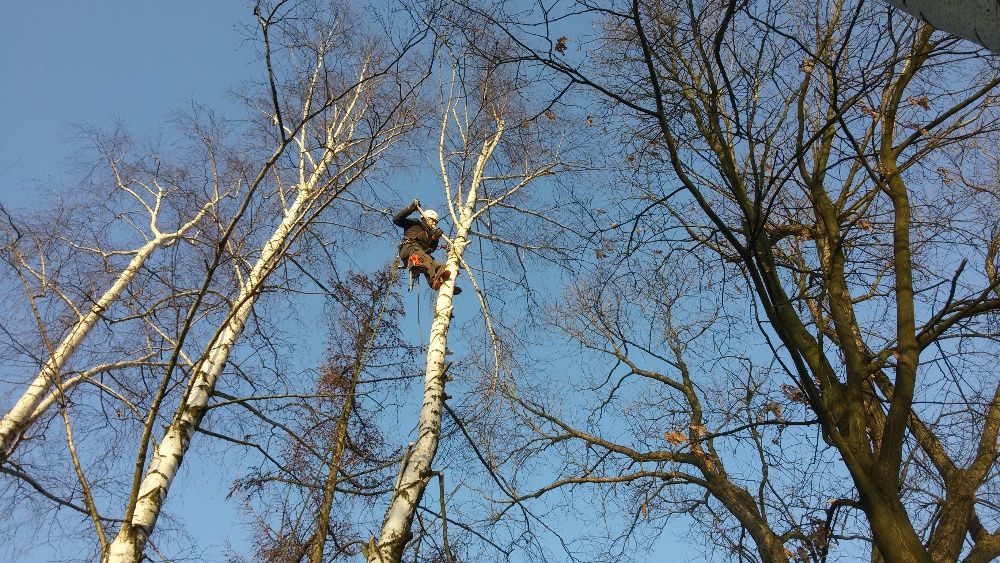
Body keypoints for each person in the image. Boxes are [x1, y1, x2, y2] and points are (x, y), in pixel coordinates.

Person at [394, 199, 461, 294]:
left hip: (421, 255)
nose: (433, 223)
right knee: (427, 260)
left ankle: (446, 284)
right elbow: (396, 219)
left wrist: (434, 238)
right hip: (409, 249)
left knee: (439, 266)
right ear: (424, 218)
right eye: (432, 220)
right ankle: (433, 280)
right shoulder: (415, 224)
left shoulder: (431, 234)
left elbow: (431, 249)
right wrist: (410, 209)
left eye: (435, 222)